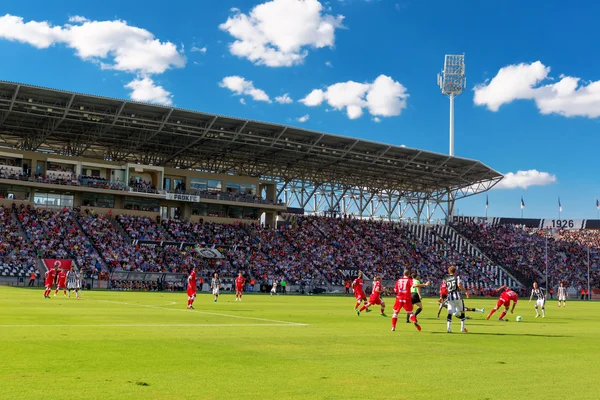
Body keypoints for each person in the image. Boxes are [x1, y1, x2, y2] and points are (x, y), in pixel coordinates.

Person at [444, 266, 470, 333]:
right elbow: (459, 285)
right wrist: (466, 291)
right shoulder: (457, 277)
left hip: (450, 296)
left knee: (449, 313)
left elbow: (446, 287)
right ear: (455, 271)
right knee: (462, 312)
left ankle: (448, 329)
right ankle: (462, 328)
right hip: (457, 296)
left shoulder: (446, 278)